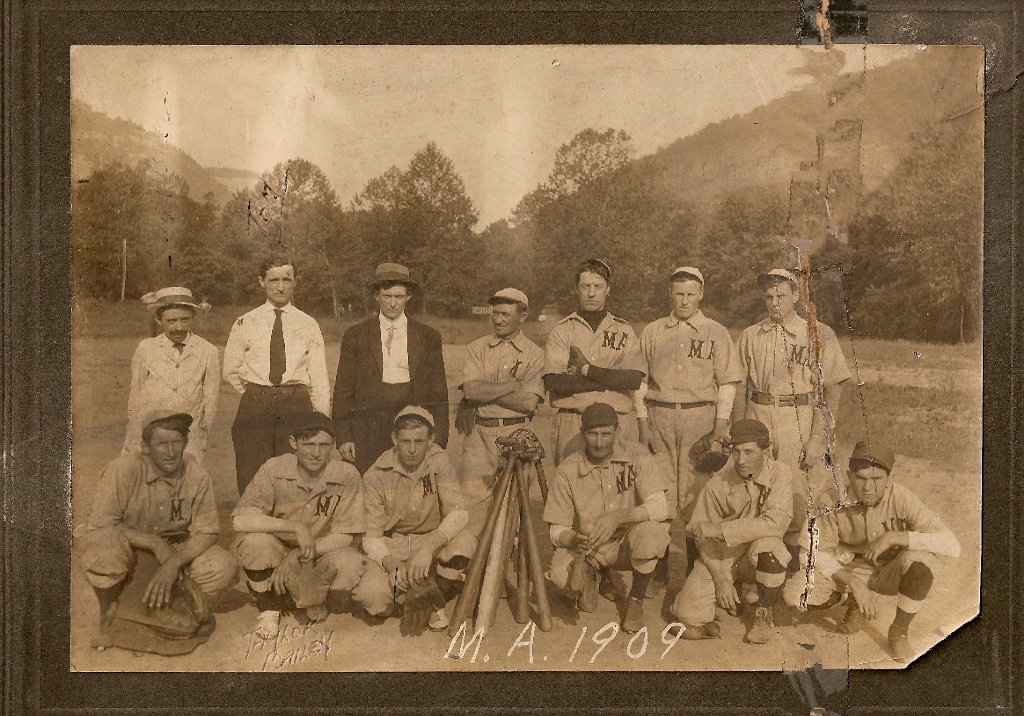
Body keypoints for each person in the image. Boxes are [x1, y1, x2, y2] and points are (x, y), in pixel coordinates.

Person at [736, 268, 851, 596]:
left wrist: (818, 437)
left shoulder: (817, 333)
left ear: (796, 296)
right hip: (759, 412)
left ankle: (794, 575)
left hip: (798, 415)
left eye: (782, 295)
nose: (775, 302)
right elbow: (741, 386)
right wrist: (740, 430)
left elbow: (832, 390)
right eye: (769, 296)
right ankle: (757, 568)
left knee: (799, 495)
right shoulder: (751, 335)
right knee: (754, 491)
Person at [77, 410, 237, 634]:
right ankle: (111, 607)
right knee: (102, 549)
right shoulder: (123, 469)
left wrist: (174, 563)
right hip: (130, 548)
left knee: (223, 565)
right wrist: (154, 543)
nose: (171, 452)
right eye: (162, 444)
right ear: (145, 447)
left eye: (176, 443)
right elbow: (102, 525)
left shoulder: (197, 474)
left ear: (185, 443)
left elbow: (208, 532)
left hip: (174, 548)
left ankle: (175, 602)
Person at [802, 441, 960, 661]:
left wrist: (897, 537)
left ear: (889, 479)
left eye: (876, 479)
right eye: (861, 478)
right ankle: (853, 601)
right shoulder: (831, 499)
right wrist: (854, 584)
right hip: (852, 569)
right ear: (849, 476)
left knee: (921, 565)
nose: (868, 487)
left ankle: (898, 632)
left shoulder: (901, 497)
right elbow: (808, 550)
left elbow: (952, 545)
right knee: (798, 590)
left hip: (889, 571)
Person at [636, 266, 743, 574]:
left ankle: (698, 570)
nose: (684, 301)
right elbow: (639, 382)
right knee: (659, 491)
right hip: (660, 415)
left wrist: (719, 428)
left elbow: (727, 384)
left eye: (690, 294)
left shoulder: (716, 332)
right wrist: (642, 423)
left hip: (700, 418)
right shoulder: (653, 331)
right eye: (679, 294)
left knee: (697, 494)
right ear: (670, 294)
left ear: (700, 295)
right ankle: (656, 568)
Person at [232, 412, 366, 640]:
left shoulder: (346, 474)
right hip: (280, 548)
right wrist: (295, 527)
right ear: (293, 443)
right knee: (255, 543)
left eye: (324, 445)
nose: (316, 453)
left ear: (333, 445)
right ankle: (269, 606)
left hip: (319, 551)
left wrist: (296, 555)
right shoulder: (274, 468)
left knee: (350, 562)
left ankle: (304, 595)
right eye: (309, 444)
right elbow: (240, 520)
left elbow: (345, 536)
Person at [542, 402, 671, 634]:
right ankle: (597, 572)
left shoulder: (638, 455)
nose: (599, 443)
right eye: (593, 434)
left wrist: (620, 516)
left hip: (626, 545)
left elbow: (660, 507)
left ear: (617, 431)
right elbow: (555, 530)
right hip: (590, 548)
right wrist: (573, 539)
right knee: (561, 579)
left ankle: (635, 600)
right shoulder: (567, 468)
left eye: (606, 434)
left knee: (652, 531)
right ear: (582, 433)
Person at [352, 407, 475, 634]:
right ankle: (417, 590)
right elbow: (371, 537)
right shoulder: (375, 474)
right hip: (392, 544)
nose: (411, 449)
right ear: (394, 439)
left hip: (429, 540)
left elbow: (459, 514)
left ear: (431, 439)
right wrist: (392, 564)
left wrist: (427, 548)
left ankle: (433, 596)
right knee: (374, 600)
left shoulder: (439, 461)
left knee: (465, 542)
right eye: (405, 441)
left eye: (419, 441)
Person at [669, 419, 794, 644]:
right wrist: (720, 579)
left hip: (759, 550)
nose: (741, 460)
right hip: (726, 554)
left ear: (765, 451)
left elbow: (775, 523)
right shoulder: (718, 483)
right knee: (686, 616)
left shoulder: (780, 473)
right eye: (736, 452)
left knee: (770, 549)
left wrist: (720, 529)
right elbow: (702, 538)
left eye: (749, 452)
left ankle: (763, 614)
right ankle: (729, 596)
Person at [223, 256, 331, 496]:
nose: (280, 287)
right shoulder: (245, 322)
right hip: (255, 405)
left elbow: (319, 377)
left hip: (296, 404)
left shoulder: (308, 324)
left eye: (286, 280)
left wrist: (322, 420)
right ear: (261, 281)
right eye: (273, 280)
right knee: (252, 471)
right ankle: (253, 517)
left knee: (294, 473)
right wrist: (257, 393)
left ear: (295, 282)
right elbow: (230, 369)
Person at [332, 263, 449, 474]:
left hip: (412, 424)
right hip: (368, 427)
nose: (393, 303)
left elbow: (438, 391)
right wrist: (344, 436)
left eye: (399, 296)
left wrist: (439, 440)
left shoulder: (428, 336)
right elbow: (343, 390)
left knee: (411, 484)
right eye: (387, 296)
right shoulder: (356, 335)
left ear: (408, 296)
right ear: (376, 295)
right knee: (368, 482)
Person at [457, 287, 545, 530]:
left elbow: (528, 403)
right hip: (479, 436)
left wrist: (487, 391)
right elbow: (471, 391)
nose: (498, 319)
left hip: (517, 436)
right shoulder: (476, 348)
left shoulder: (534, 353)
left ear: (522, 317)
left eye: (505, 314)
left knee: (511, 517)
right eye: (495, 313)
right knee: (472, 514)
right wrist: (511, 386)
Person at [543, 259, 645, 465]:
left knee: (619, 484)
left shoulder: (623, 330)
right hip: (573, 421)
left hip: (617, 422)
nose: (591, 293)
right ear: (576, 289)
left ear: (608, 289)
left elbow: (633, 379)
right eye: (585, 286)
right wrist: (611, 377)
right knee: (571, 483)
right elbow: (554, 382)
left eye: (598, 286)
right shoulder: (562, 330)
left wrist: (586, 371)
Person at [122, 287, 219, 462]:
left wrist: (200, 435)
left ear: (192, 318)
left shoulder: (208, 351)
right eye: (171, 321)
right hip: (150, 429)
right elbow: (136, 393)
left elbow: (211, 399)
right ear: (158, 320)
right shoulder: (146, 348)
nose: (178, 327)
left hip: (188, 433)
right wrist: (134, 434)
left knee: (184, 475)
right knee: (146, 473)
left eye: (184, 320)